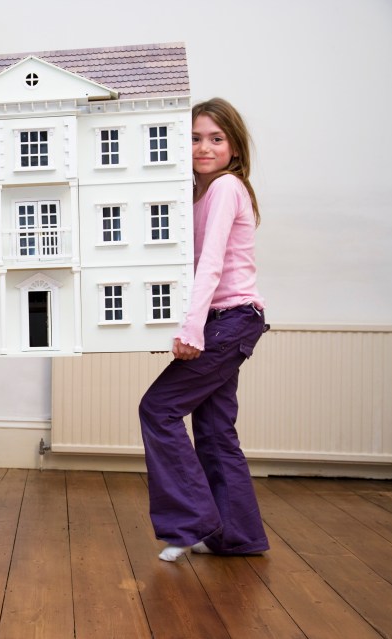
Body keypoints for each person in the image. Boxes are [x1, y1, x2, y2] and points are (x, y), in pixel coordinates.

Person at [139, 98, 270, 562]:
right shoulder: (196, 193)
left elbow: (210, 264)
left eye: (215, 138)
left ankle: (190, 523)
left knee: (158, 408)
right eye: (194, 137)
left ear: (234, 147)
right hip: (227, 322)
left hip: (230, 321)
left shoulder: (226, 188)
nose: (203, 147)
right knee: (215, 430)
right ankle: (238, 536)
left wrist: (192, 330)